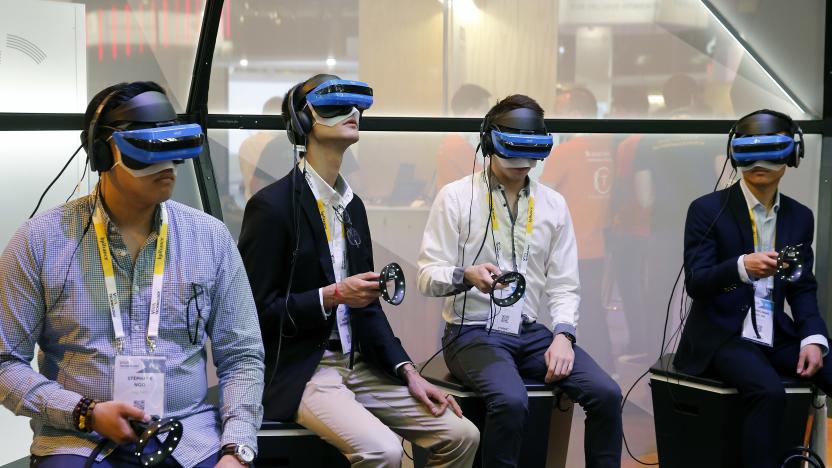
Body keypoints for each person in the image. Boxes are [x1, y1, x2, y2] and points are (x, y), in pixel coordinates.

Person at [0, 81, 264, 467]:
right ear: (102, 153)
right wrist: (84, 411)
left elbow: (242, 355)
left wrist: (237, 449)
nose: (169, 167)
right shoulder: (40, 241)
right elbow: (5, 361)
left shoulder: (209, 238)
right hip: (78, 438)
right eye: (151, 151)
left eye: (174, 150)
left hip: (187, 436)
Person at [238, 73, 479, 468]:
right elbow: (255, 313)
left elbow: (368, 307)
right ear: (302, 121)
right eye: (335, 106)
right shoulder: (272, 206)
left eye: (355, 106)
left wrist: (408, 371)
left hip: (360, 365)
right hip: (305, 369)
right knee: (383, 451)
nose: (352, 113)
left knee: (461, 434)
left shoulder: (353, 207)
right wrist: (331, 295)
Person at [417, 94, 623, 468]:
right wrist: (466, 276)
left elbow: (563, 284)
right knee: (511, 400)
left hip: (528, 331)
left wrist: (564, 335)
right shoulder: (456, 198)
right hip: (470, 331)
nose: (521, 165)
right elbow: (425, 277)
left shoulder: (553, 205)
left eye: (531, 155)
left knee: (607, 393)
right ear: (488, 142)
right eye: (512, 152)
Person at [675, 109, 831, 468]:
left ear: (791, 156)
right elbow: (696, 282)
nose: (759, 163)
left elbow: (802, 286)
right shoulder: (707, 210)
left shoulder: (799, 216)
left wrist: (812, 338)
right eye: (749, 152)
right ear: (735, 155)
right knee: (769, 392)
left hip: (774, 332)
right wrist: (741, 268)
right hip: (723, 335)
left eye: (770, 151)